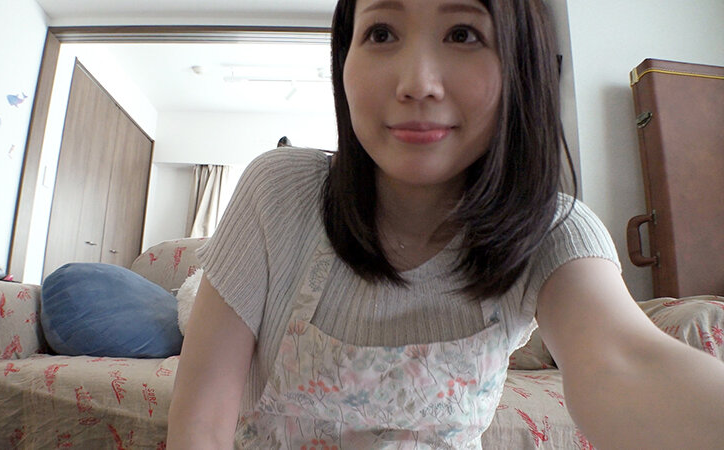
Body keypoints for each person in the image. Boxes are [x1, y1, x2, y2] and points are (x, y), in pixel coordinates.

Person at [167, 0, 724, 448]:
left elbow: (625, 363)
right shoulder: (278, 191)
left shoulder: (551, 231)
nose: (418, 83)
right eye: (381, 32)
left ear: (520, 64)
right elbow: (200, 429)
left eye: (463, 34)